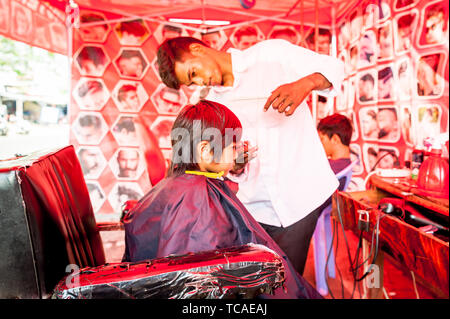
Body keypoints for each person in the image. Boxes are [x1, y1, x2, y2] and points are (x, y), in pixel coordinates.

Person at [156, 36, 343, 276]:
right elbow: (215, 164)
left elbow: (335, 68)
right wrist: (234, 164)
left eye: (193, 72)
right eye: (191, 82)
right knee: (257, 282)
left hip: (299, 198)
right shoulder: (208, 103)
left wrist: (304, 84)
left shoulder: (269, 55)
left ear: (197, 49)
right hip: (254, 209)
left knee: (287, 281)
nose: (199, 81)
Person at [122, 100, 322, 299]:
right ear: (205, 151)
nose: (237, 153)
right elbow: (201, 286)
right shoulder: (197, 204)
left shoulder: (176, 188)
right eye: (233, 146)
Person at [317, 114, 353, 190]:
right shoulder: (346, 165)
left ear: (335, 139)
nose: (319, 144)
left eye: (321, 139)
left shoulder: (330, 169)